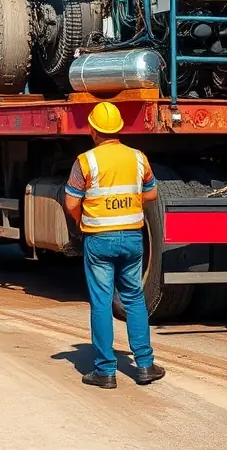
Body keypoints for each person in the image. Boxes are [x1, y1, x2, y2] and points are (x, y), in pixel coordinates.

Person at [64, 101, 165, 389]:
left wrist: (82, 220)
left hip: (99, 239)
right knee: (133, 298)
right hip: (132, 238)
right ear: (119, 129)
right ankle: (144, 365)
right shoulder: (138, 158)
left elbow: (71, 202)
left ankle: (105, 371)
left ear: (93, 130)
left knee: (101, 301)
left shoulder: (86, 161)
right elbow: (151, 194)